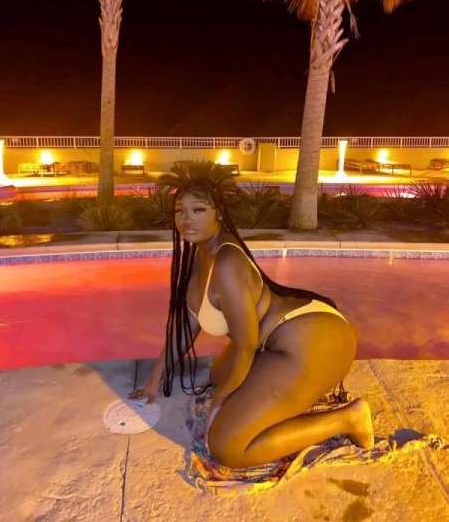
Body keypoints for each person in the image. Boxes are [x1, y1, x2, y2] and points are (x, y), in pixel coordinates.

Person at [129, 163, 374, 469]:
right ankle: (276, 395)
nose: (187, 219)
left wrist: (220, 404)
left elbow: (245, 345)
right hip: (277, 341)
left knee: (228, 447)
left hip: (314, 344)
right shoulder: (201, 255)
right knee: (219, 375)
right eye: (180, 211)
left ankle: (348, 418)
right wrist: (154, 381)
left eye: (198, 210)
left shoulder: (227, 262)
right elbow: (187, 326)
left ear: (218, 213)